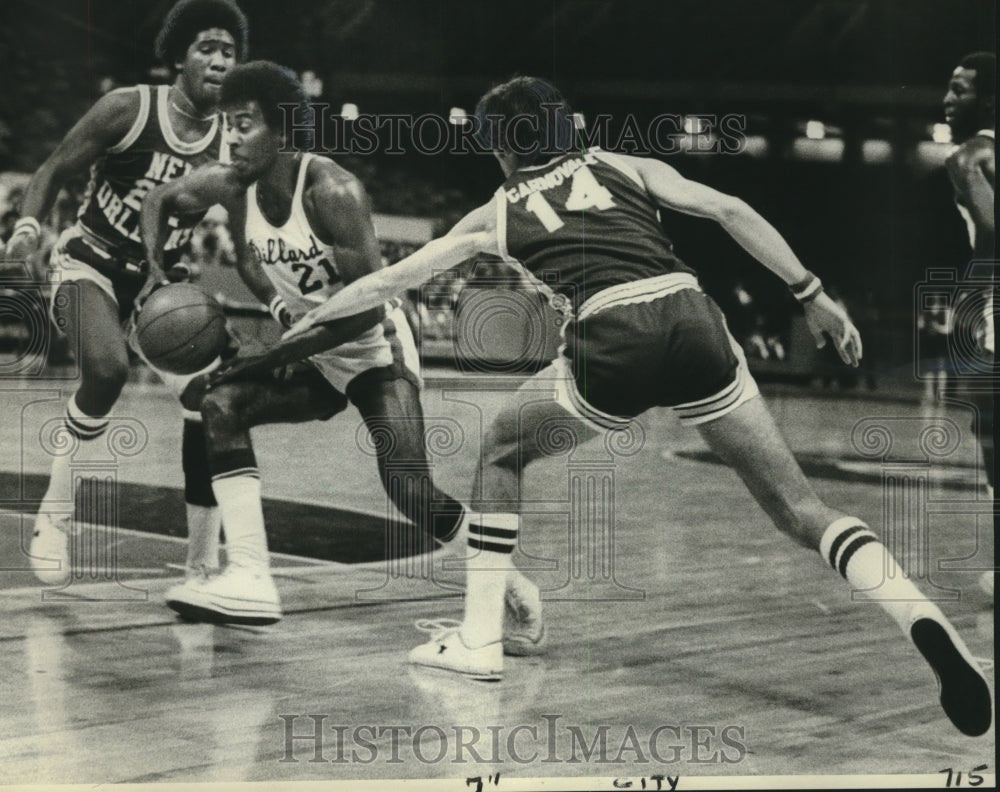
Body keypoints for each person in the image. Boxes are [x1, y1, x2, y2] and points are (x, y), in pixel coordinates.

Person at [282, 76, 992, 736]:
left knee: (502, 448)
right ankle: (919, 615)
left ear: (501, 148)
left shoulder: (498, 210)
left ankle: (478, 639)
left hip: (613, 334)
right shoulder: (622, 164)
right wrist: (812, 294)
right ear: (571, 128)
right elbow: (729, 209)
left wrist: (304, 327)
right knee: (801, 512)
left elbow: (388, 282)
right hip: (692, 319)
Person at [141, 62, 541, 638]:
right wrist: (158, 271)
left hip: (375, 350)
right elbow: (160, 200)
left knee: (410, 491)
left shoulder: (333, 191)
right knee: (220, 404)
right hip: (310, 346)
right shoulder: (234, 185)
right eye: (229, 125)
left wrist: (273, 354)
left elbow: (365, 312)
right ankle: (251, 577)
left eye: (245, 124)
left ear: (281, 131)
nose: (231, 137)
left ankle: (508, 583)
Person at [4, 0, 250, 587]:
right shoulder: (129, 109)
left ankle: (200, 564)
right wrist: (28, 226)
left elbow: (245, 248)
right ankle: (54, 518)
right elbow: (53, 169)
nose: (220, 60)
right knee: (107, 371)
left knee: (212, 403)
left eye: (229, 51)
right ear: (179, 58)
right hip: (87, 261)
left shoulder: (232, 148)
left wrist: (279, 302)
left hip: (158, 286)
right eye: (207, 47)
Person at [942, 51, 995, 596]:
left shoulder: (969, 155)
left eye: (959, 89)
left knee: (992, 435)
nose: (948, 99)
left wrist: (972, 303)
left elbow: (993, 231)